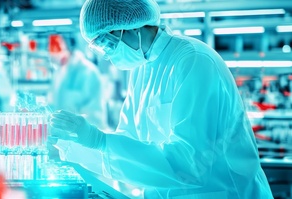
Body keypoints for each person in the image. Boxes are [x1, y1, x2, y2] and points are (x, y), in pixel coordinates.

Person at [49, 0, 273, 198]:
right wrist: (71, 146)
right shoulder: (141, 69)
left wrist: (99, 140)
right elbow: (129, 142)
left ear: (129, 27)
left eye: (107, 43)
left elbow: (189, 165)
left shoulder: (193, 60)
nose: (106, 54)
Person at [48, 36, 109, 130]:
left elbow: (93, 113)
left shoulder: (88, 71)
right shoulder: (60, 72)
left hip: (88, 133)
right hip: (66, 134)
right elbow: (54, 103)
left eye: (56, 48)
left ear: (68, 46)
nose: (51, 54)